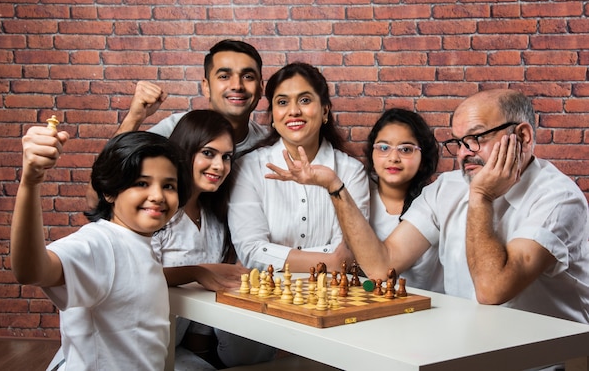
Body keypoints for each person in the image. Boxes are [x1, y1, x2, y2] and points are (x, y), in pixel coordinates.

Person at [266, 89, 589, 325]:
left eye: (477, 138)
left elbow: (492, 291)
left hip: (545, 360)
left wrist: (481, 197)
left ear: (522, 135)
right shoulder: (448, 187)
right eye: (459, 142)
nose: (465, 153)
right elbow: (383, 267)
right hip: (467, 349)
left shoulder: (559, 199)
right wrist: (334, 186)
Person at [11, 126, 190, 370]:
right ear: (109, 191)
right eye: (141, 183)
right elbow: (32, 271)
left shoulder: (139, 242)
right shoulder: (100, 242)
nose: (158, 195)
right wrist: (30, 182)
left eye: (169, 186)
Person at [151, 110, 276, 369]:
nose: (220, 166)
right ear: (185, 150)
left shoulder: (216, 219)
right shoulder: (154, 208)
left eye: (226, 157)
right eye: (208, 153)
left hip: (176, 347)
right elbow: (131, 274)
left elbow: (203, 308)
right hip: (134, 345)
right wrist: (197, 272)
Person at [85, 39, 266, 209]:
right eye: (224, 76)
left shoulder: (270, 143)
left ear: (260, 88)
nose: (237, 85)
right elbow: (96, 199)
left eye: (248, 76)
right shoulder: (175, 131)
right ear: (206, 87)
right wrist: (134, 118)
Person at [228, 62, 370, 273]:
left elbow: (351, 252)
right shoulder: (247, 167)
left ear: (324, 111)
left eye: (304, 100)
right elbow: (251, 250)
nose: (293, 111)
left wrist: (275, 255)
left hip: (334, 295)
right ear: (274, 116)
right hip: (267, 294)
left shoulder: (352, 172)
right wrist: (330, 262)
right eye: (282, 102)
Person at [362, 108, 443, 292]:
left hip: (426, 310)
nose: (393, 158)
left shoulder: (434, 201)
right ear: (371, 153)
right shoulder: (358, 196)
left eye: (406, 149)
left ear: (423, 158)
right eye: (383, 148)